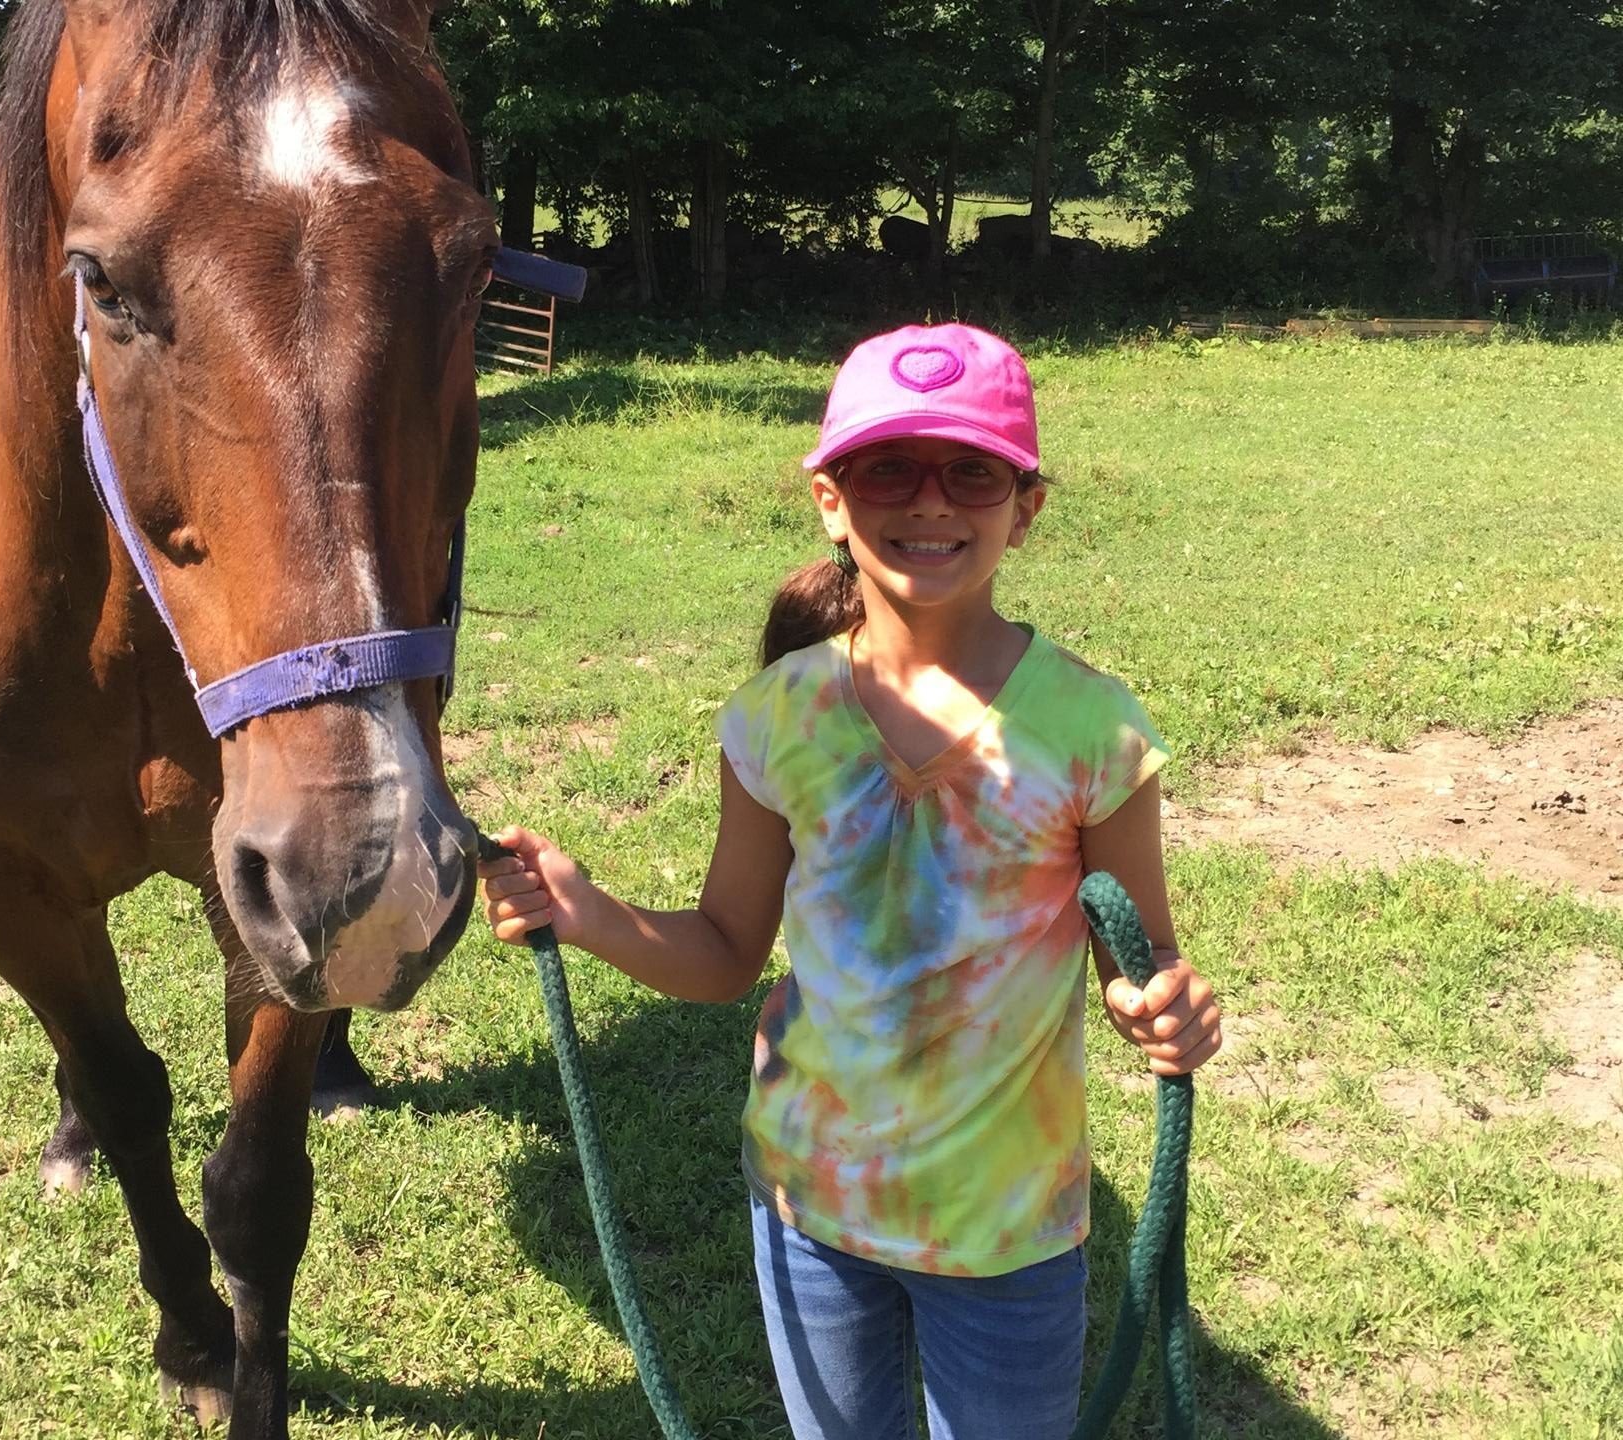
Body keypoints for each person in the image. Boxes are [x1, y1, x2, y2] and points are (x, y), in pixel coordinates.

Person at [476, 323, 1223, 1440]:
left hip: (1007, 1229)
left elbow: (1140, 955)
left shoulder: (1091, 730)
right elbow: (730, 951)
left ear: (1026, 506)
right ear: (832, 497)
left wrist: (1159, 1002)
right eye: (890, 469)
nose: (930, 503)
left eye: (972, 471)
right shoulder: (779, 719)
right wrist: (588, 913)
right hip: (807, 1209)